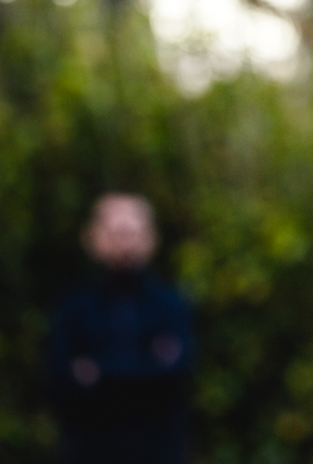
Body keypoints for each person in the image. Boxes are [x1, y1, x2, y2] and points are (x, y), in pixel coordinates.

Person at [48, 193, 194, 464]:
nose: (126, 243)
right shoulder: (73, 309)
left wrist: (98, 372)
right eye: (116, 233)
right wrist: (146, 368)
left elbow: (177, 373)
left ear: (151, 238)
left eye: (133, 233)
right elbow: (61, 380)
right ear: (92, 237)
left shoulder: (171, 306)